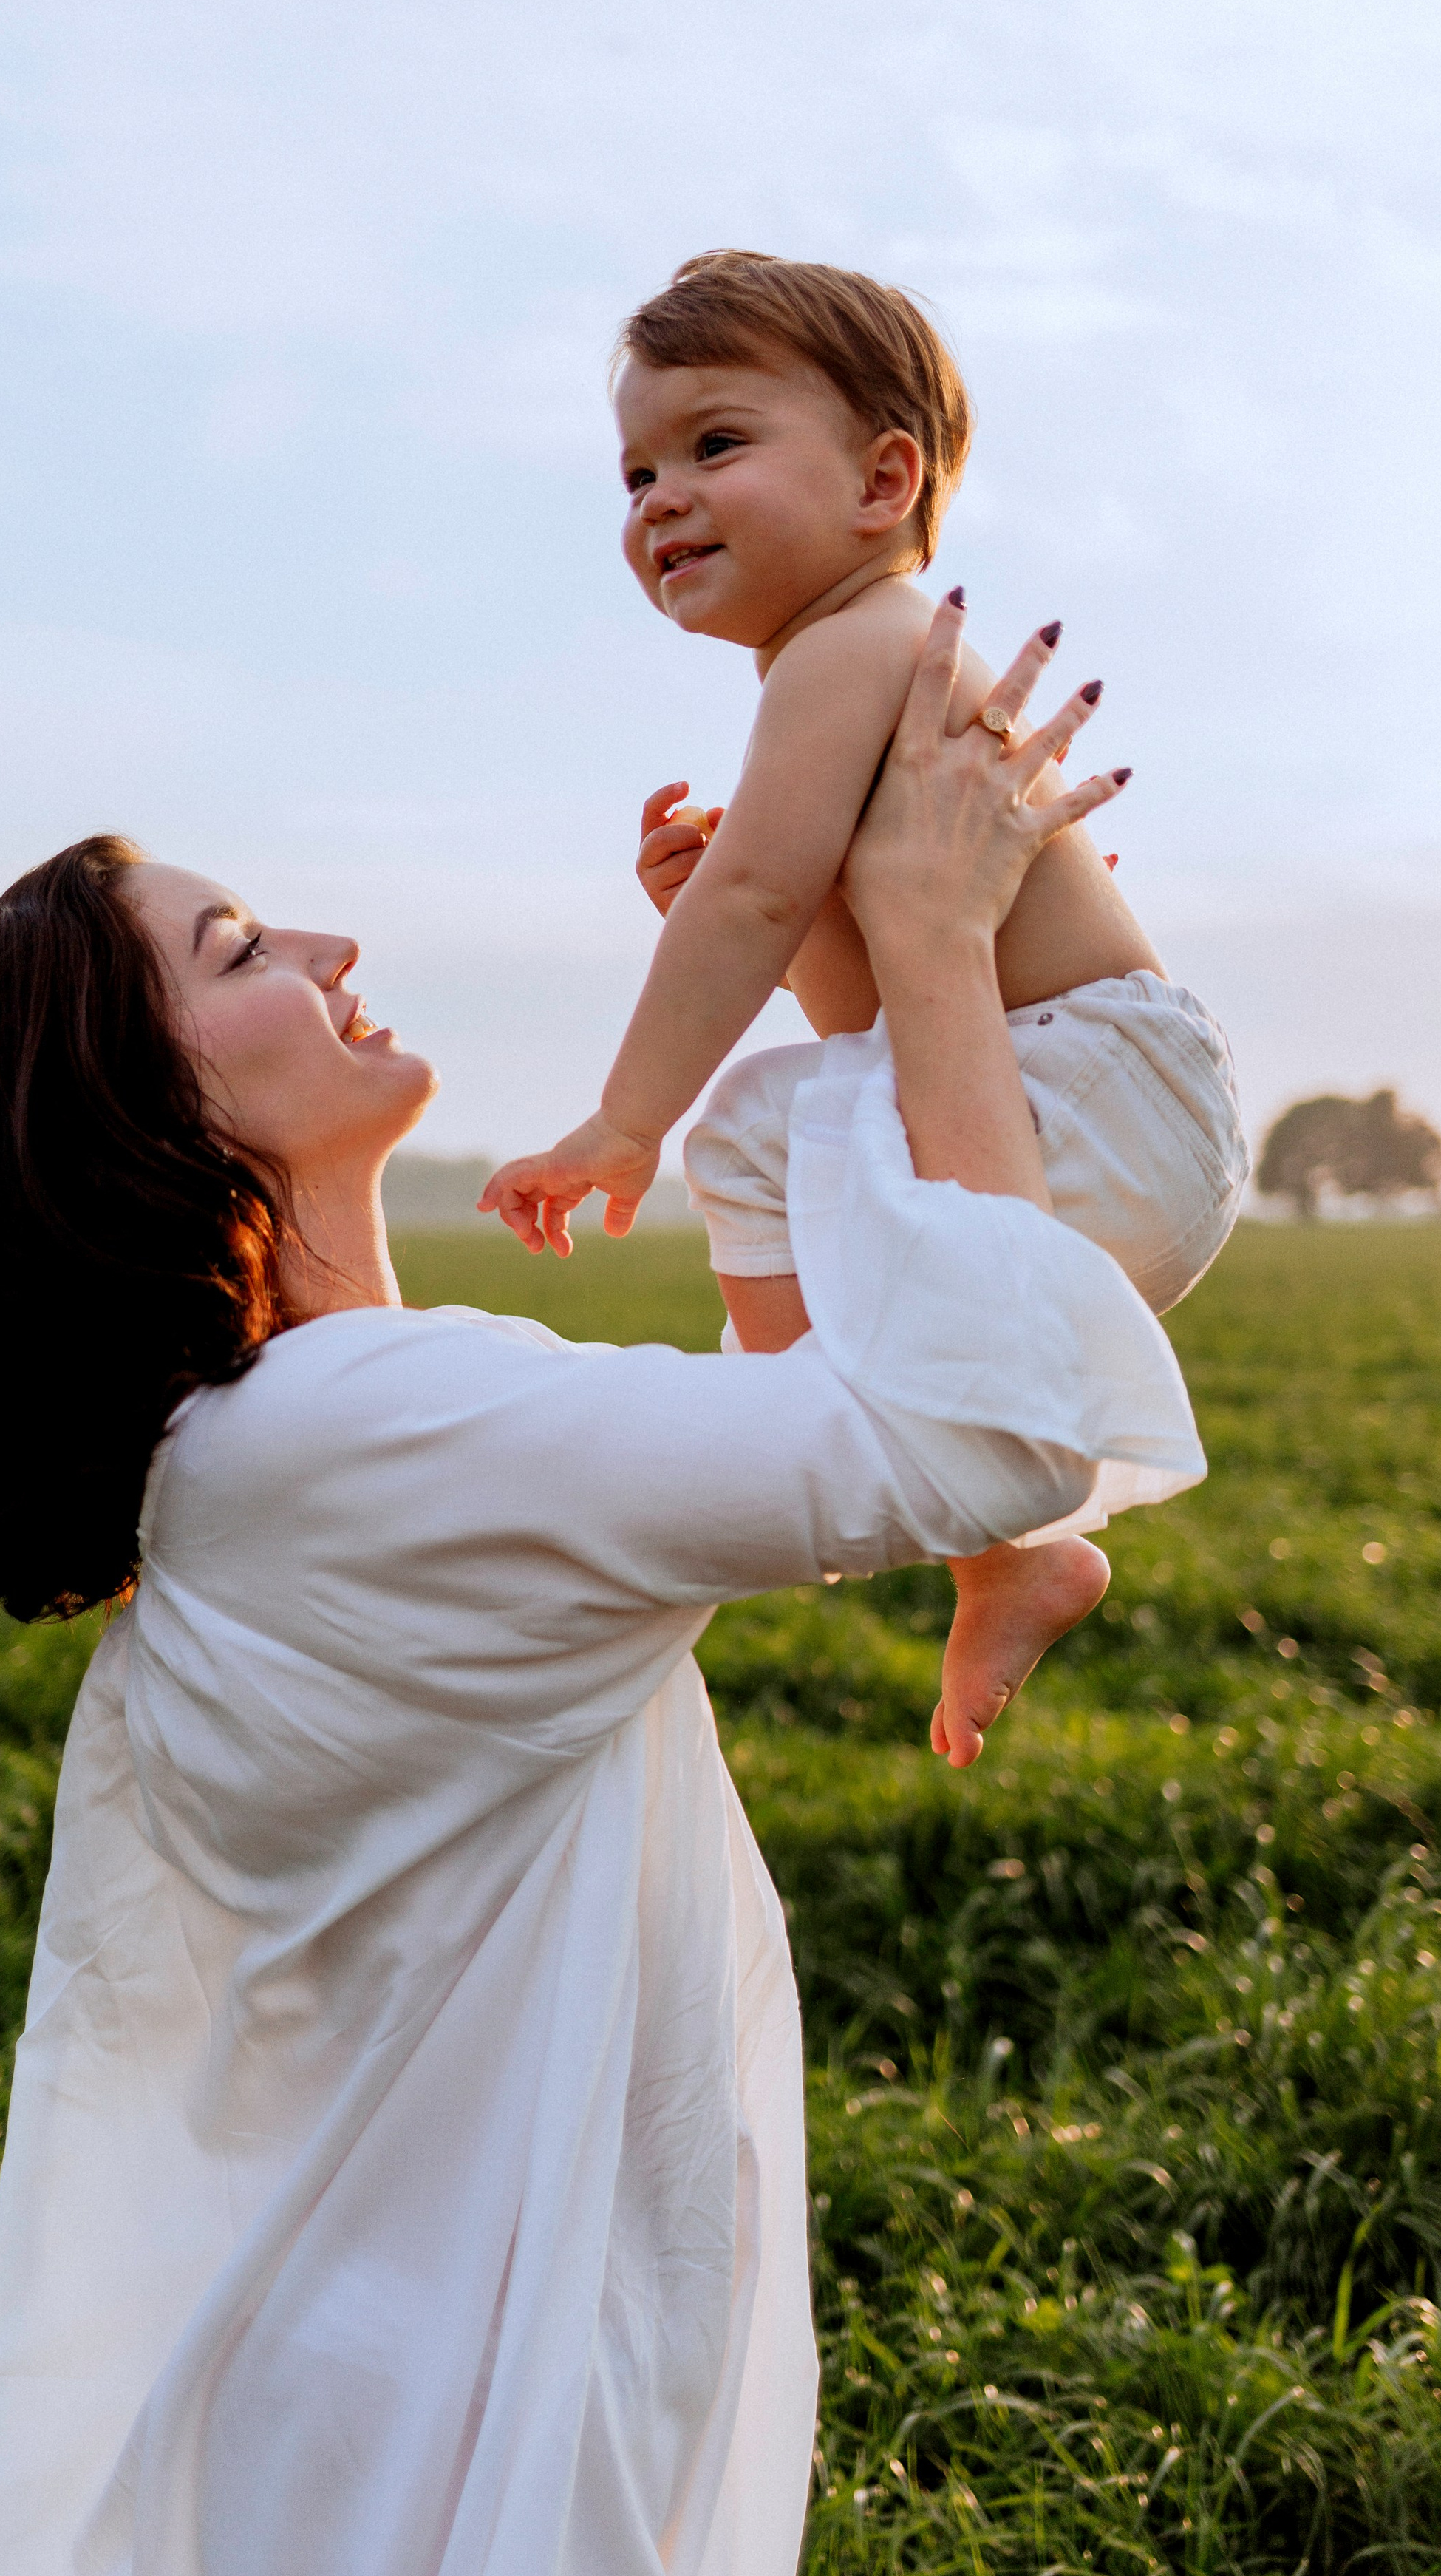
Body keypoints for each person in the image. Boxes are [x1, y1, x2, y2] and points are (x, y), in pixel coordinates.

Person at [0, 604, 1203, 2576]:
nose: (332, 948)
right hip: (468, 2452)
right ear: (141, 1115)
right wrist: (921, 935)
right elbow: (983, 1435)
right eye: (244, 951)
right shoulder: (359, 1438)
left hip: (382, 2394)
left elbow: (763, 1430)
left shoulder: (282, 1451)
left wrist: (835, 950)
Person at [481, 251, 1247, 1766]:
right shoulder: (854, 664)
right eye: (633, 470)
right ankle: (994, 1550)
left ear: (883, 480)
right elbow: (865, 1010)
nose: (656, 499)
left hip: (1088, 1089)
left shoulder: (853, 641)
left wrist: (622, 1121)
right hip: (1100, 1108)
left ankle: (799, 1434)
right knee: (785, 1127)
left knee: (739, 1135)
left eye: (713, 444)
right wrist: (769, 923)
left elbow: (752, 898)